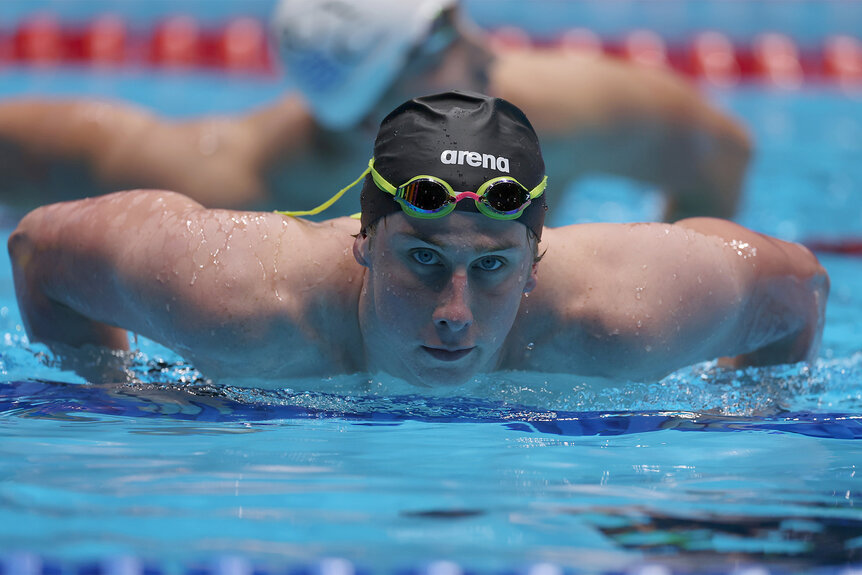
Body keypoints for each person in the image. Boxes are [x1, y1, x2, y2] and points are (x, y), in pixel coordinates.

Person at [8, 91, 826, 389]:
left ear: (537, 259)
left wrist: (743, 426)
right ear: (364, 240)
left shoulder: (622, 316)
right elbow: (38, 248)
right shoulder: (235, 296)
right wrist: (107, 390)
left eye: (494, 266)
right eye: (424, 259)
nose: (455, 314)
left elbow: (798, 290)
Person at [0, 0, 749, 222]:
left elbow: (722, 151)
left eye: (460, 14)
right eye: (442, 40)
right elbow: (40, 150)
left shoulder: (558, 108)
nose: (488, 48)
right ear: (370, 120)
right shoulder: (235, 189)